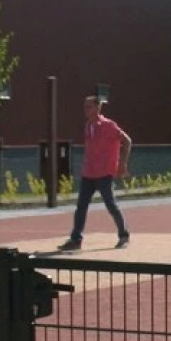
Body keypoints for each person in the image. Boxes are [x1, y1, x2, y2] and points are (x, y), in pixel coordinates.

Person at [58, 95, 131, 251]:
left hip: (104, 174)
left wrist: (122, 163)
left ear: (98, 108)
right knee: (81, 207)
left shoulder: (109, 125)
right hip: (88, 174)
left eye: (89, 107)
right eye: (84, 106)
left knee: (111, 205)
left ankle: (123, 235)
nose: (85, 110)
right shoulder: (87, 126)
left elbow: (127, 141)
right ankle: (76, 240)